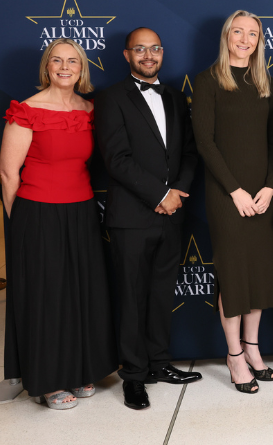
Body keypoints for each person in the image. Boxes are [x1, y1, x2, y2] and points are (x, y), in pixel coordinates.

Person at [0, 38, 117, 409]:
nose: (64, 67)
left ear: (82, 68)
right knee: (47, 297)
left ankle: (80, 368)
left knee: (81, 293)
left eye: (73, 61)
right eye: (57, 61)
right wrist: (20, 224)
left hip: (81, 211)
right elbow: (7, 174)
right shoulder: (28, 110)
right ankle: (49, 381)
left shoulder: (89, 109)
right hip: (37, 212)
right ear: (46, 67)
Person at [95, 28, 202, 409]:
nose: (148, 55)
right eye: (139, 49)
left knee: (160, 295)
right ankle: (134, 375)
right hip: (132, 216)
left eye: (154, 48)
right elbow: (117, 159)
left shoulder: (175, 97)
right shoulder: (110, 99)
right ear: (127, 55)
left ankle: (159, 363)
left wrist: (176, 195)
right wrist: (159, 194)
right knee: (132, 297)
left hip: (172, 214)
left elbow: (190, 153)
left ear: (161, 52)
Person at [192, 10, 273, 394]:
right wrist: (235, 190)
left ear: (260, 40)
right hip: (226, 194)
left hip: (261, 194)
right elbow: (205, 143)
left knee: (259, 272)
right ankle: (233, 356)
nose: (245, 39)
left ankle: (253, 348)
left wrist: (271, 186)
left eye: (253, 34)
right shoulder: (209, 80)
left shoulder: (266, 82)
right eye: (238, 32)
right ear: (227, 35)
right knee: (233, 274)